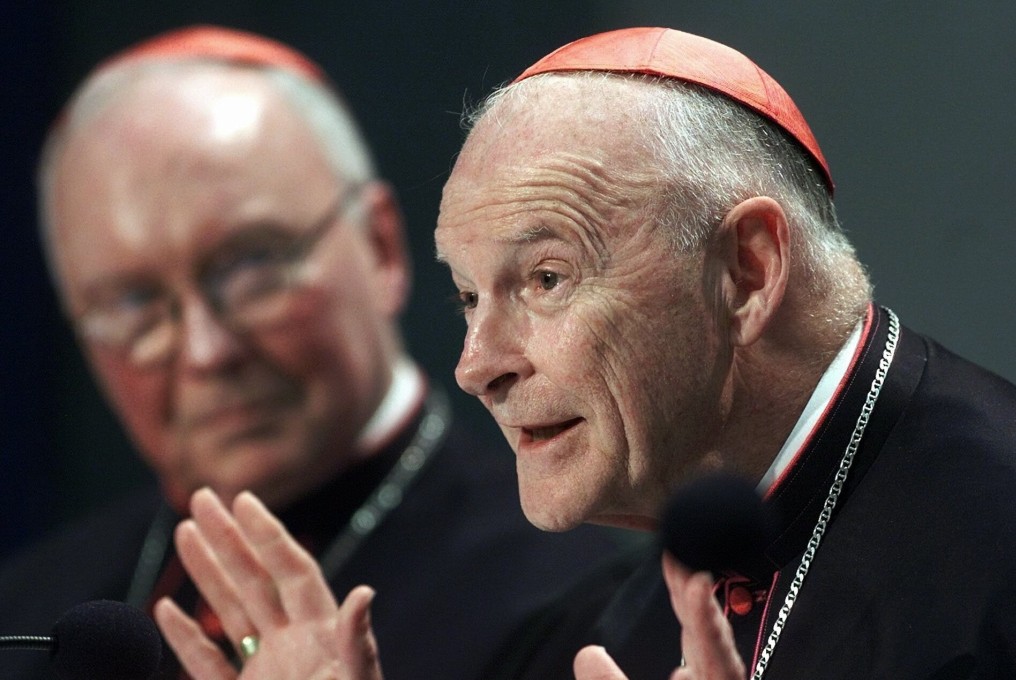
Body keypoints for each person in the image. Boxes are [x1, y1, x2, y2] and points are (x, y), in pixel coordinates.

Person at [152, 26, 1016, 680]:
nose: (475, 365)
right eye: (465, 296)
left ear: (748, 272)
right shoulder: (589, 635)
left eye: (546, 278)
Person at [0, 25, 633, 680]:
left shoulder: (576, 607)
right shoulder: (27, 613)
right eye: (132, 303)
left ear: (380, 246)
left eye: (250, 266)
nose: (206, 351)